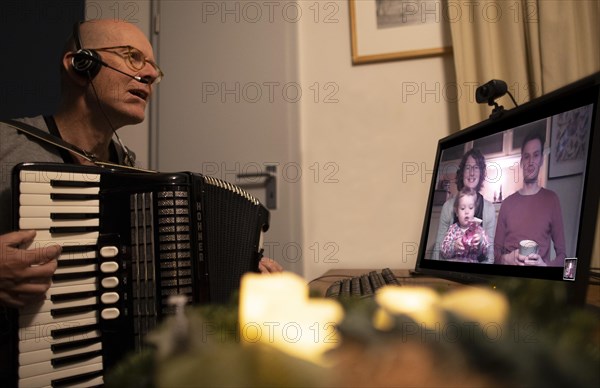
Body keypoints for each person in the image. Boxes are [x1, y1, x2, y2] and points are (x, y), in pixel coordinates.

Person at [0, 20, 282, 308]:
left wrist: (245, 283)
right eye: (133, 57)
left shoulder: (133, 175)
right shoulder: (6, 143)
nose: (149, 74)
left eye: (153, 68)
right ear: (80, 64)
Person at [494, 130, 566, 266]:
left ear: (541, 160)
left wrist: (545, 267)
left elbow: (564, 257)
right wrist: (506, 259)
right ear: (521, 162)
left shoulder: (552, 199)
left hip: (538, 283)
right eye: (526, 157)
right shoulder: (507, 204)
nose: (531, 161)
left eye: (536, 155)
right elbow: (494, 254)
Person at [433, 148, 495, 263]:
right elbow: (438, 250)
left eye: (476, 167)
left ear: (481, 172)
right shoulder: (448, 208)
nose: (471, 172)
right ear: (462, 173)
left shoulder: (489, 211)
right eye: (467, 167)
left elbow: (489, 255)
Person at [440, 188, 490, 262]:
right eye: (462, 208)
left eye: (470, 208)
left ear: (475, 210)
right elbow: (443, 251)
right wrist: (454, 246)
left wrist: (480, 242)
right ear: (457, 212)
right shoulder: (453, 229)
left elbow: (486, 252)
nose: (467, 212)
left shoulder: (479, 230)